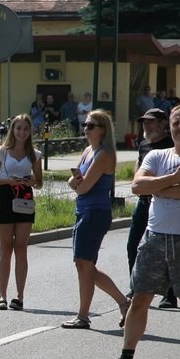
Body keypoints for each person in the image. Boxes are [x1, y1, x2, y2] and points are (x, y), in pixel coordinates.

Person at [99, 105, 180, 359]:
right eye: (176, 123)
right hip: (154, 237)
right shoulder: (156, 155)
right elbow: (137, 186)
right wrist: (175, 179)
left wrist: (158, 186)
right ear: (170, 127)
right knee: (140, 298)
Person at [63, 110, 129, 329]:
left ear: (103, 129)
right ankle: (123, 302)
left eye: (91, 125)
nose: (86, 129)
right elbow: (74, 182)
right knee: (84, 264)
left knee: (85, 264)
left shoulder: (104, 154)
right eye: (85, 124)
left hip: (95, 212)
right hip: (83, 211)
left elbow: (82, 187)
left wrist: (75, 183)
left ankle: (84, 316)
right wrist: (75, 182)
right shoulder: (87, 151)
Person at [0, 113, 42, 310]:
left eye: (25, 129)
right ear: (12, 130)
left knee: (21, 247)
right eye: (18, 128)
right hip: (5, 196)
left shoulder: (35, 154)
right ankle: (2, 296)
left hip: (24, 198)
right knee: (6, 248)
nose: (22, 132)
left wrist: (32, 181)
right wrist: (7, 180)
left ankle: (19, 296)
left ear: (29, 132)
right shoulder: (1, 152)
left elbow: (39, 182)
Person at [126, 107, 175, 305]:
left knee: (167, 249)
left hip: (166, 203)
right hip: (144, 202)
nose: (146, 125)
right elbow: (138, 168)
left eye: (151, 121)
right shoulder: (144, 144)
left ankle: (170, 294)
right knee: (133, 245)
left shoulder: (172, 144)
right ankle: (135, 288)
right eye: (144, 122)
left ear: (163, 124)